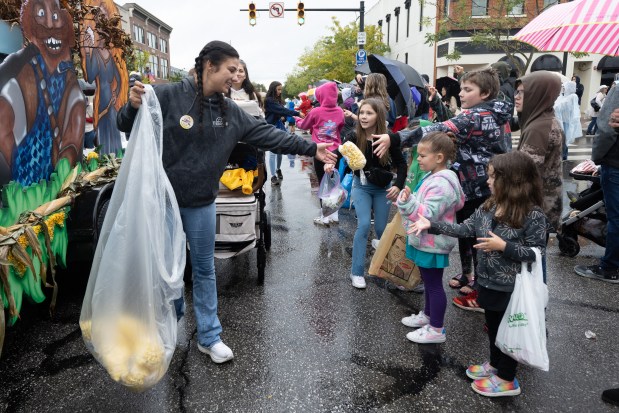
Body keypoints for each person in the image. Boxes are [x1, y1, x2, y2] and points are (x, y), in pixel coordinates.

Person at [117, 40, 337, 364]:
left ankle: (209, 337)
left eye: (238, 70)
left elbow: (269, 135)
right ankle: (161, 329)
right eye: (231, 70)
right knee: (165, 271)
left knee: (205, 269)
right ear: (210, 66)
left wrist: (310, 148)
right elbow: (125, 125)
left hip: (202, 203)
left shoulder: (230, 112)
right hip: (163, 202)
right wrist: (132, 106)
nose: (236, 76)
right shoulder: (166, 96)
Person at [410, 151, 548, 397]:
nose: (488, 181)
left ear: (512, 180)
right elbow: (465, 228)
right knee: (493, 326)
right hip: (487, 281)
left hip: (511, 287)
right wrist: (431, 224)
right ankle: (495, 364)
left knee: (508, 330)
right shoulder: (489, 205)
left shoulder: (533, 214)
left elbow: (537, 252)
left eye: (493, 177)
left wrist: (504, 247)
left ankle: (507, 379)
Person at [372, 68, 513, 309]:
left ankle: (480, 292)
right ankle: (469, 276)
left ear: (486, 93)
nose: (462, 93)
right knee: (470, 235)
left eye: (468, 89)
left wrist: (394, 138)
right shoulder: (495, 114)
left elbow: (437, 128)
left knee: (478, 238)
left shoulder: (476, 115)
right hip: (484, 184)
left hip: (479, 187)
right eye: (463, 88)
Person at [324, 98, 406, 289]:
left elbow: (402, 164)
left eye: (369, 113)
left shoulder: (387, 137)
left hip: (383, 189)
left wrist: (398, 185)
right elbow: (338, 152)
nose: (364, 116)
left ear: (379, 116)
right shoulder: (353, 136)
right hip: (361, 186)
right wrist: (329, 163)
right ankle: (357, 272)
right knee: (362, 226)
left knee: (381, 230)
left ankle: (392, 273)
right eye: (361, 113)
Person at [397, 132, 465, 344]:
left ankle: (436, 329)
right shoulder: (435, 177)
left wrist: (407, 203)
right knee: (428, 281)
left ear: (439, 157)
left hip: (432, 241)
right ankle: (428, 316)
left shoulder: (441, 184)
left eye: (423, 155)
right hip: (427, 240)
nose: (418, 159)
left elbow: (428, 213)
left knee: (434, 284)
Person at [514, 71, 563, 283]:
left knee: (532, 259)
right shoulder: (544, 119)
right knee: (537, 255)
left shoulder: (539, 127)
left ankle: (533, 307)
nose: (516, 96)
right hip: (543, 205)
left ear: (539, 95)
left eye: (523, 93)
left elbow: (522, 171)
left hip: (534, 207)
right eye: (516, 91)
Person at [574, 82, 619, 284]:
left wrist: (598, 158)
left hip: (615, 162)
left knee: (616, 217)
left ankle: (610, 267)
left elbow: (606, 129)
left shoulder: (618, 88)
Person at [80, 0, 128, 155]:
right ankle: (106, 159)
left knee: (114, 131)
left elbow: (120, 77)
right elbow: (91, 74)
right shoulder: (95, 52)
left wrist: (116, 93)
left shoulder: (114, 55)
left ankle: (116, 158)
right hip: (101, 101)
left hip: (112, 101)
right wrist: (87, 51)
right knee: (102, 131)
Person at [295, 82, 345, 225]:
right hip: (335, 150)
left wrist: (297, 120)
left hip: (320, 151)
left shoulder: (316, 111)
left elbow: (304, 125)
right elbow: (340, 126)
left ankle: (324, 217)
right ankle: (334, 215)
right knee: (333, 182)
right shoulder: (340, 111)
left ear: (321, 96)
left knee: (323, 183)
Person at [264, 81, 303, 185]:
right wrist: (297, 113)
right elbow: (282, 110)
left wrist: (283, 117)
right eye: (278, 89)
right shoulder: (269, 100)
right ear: (273, 89)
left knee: (279, 151)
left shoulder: (277, 100)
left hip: (279, 126)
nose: (280, 92)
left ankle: (277, 169)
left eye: (281, 89)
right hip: (271, 127)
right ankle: (272, 176)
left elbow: (283, 113)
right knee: (272, 152)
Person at [554, 80, 582, 160]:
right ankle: (562, 155)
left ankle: (564, 156)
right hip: (563, 121)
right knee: (561, 139)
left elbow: (561, 106)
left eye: (564, 87)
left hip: (567, 122)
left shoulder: (573, 96)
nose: (563, 89)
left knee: (565, 139)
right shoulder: (564, 96)